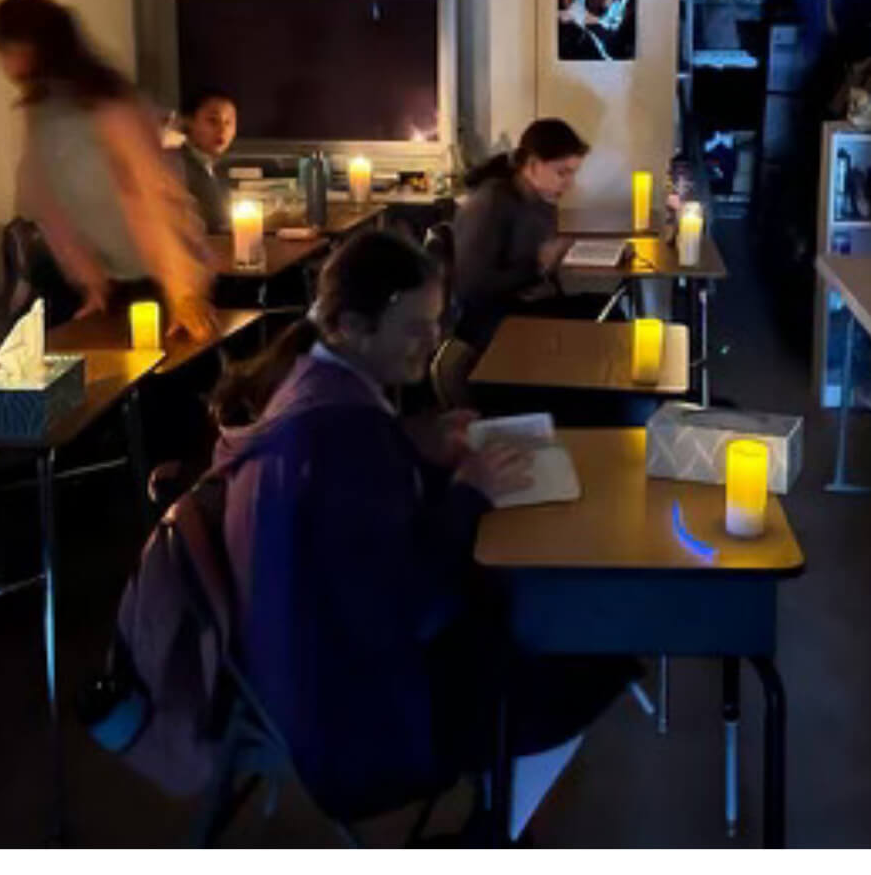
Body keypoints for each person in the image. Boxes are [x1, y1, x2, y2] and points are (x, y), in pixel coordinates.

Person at [209, 229, 636, 831]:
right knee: (589, 655)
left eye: (437, 322)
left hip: (317, 672)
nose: (432, 341)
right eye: (415, 327)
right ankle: (492, 831)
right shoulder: (339, 439)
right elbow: (404, 599)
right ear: (352, 327)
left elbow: (367, 544)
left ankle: (498, 814)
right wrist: (469, 492)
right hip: (357, 716)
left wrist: (419, 448)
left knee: (537, 632)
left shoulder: (313, 393)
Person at [0, 0, 214, 338]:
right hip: (112, 282)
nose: (3, 64)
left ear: (30, 47)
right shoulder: (42, 112)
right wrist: (90, 278)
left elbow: (154, 196)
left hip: (164, 278)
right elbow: (52, 204)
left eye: (7, 50)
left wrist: (182, 289)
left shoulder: (107, 103)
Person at [451, 118, 590, 349]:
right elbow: (471, 287)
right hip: (497, 323)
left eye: (572, 174)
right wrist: (538, 265)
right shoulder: (491, 202)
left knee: (612, 315)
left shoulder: (541, 198)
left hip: (529, 307)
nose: (569, 183)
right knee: (601, 327)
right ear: (533, 165)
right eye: (562, 173)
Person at [170, 88, 238, 234]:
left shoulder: (216, 167)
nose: (222, 130)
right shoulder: (176, 164)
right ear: (189, 121)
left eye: (229, 122)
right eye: (213, 121)